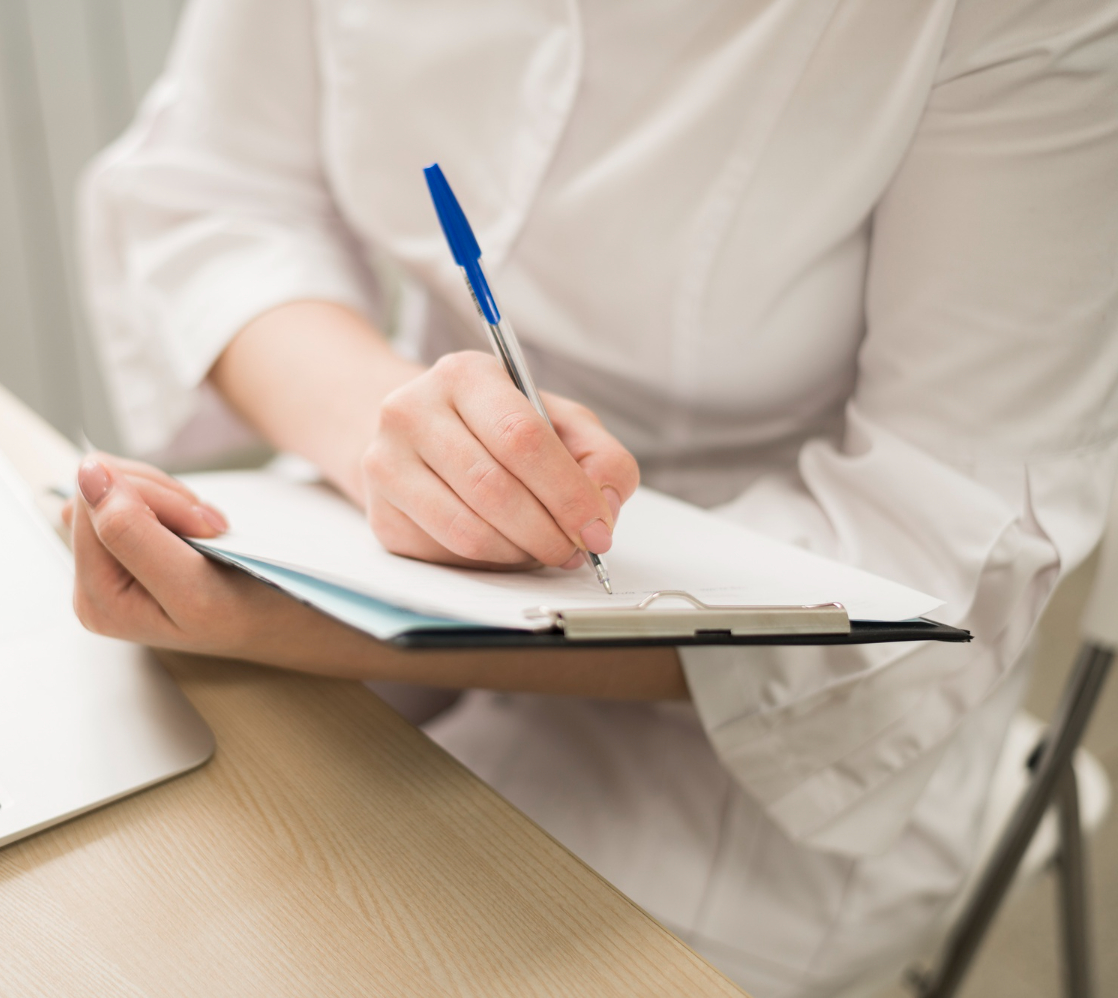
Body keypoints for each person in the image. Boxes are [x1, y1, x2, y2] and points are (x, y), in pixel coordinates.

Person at [71, 1, 1118, 994]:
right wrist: (392, 437)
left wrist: (358, 627)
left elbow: (939, 544)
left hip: (771, 710)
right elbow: (213, 193)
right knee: (118, 889)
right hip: (386, 527)